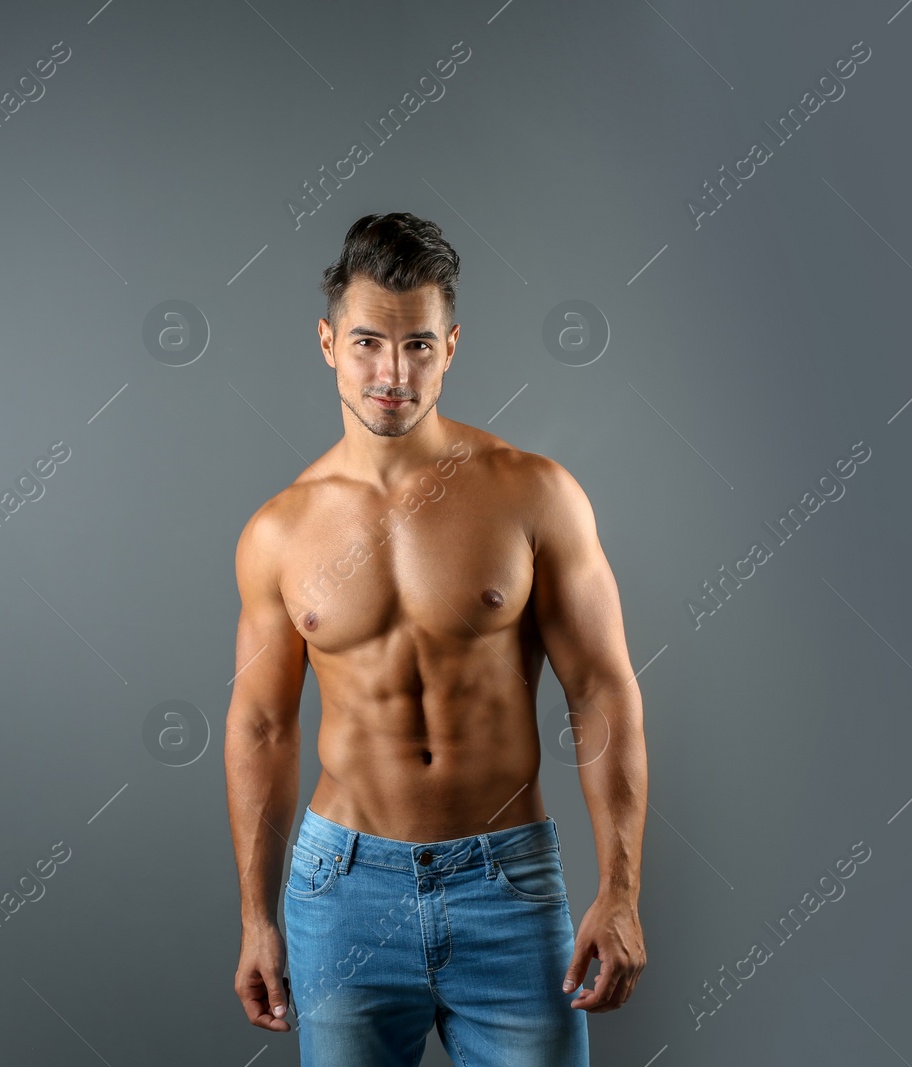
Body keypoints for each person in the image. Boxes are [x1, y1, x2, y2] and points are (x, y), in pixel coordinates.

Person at [225, 212, 647, 1066]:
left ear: (451, 346)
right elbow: (264, 728)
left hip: (508, 887)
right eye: (368, 342)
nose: (392, 372)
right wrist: (257, 917)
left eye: (417, 344)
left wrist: (622, 887)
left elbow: (601, 689)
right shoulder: (280, 530)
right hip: (340, 890)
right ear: (327, 342)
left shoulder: (534, 495)